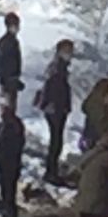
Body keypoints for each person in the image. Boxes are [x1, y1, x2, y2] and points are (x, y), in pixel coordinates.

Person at [34, 38, 75, 184]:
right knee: (55, 141)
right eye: (68, 52)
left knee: (57, 141)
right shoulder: (57, 68)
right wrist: (59, 105)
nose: (70, 55)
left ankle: (52, 170)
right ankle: (51, 172)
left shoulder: (59, 67)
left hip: (56, 108)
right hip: (55, 108)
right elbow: (55, 89)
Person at [79, 75, 108, 152]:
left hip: (87, 139)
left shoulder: (91, 102)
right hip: (97, 143)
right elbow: (105, 125)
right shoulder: (103, 109)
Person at [0, 12, 23, 99]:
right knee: (9, 104)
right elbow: (9, 63)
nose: (18, 28)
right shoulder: (10, 43)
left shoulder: (3, 42)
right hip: (9, 80)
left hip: (7, 79)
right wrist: (12, 79)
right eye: (17, 25)